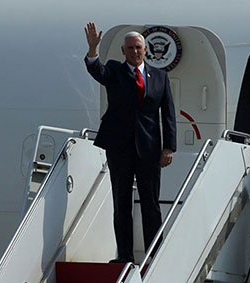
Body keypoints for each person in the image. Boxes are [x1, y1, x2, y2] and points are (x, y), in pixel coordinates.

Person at [84, 22, 177, 263]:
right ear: (123, 52)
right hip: (120, 147)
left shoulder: (159, 76)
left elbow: (168, 113)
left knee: (151, 203)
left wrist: (169, 147)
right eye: (130, 48)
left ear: (145, 49)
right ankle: (124, 256)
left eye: (138, 47)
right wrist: (93, 50)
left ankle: (155, 255)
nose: (135, 52)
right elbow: (97, 71)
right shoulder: (115, 71)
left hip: (149, 149)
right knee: (122, 202)